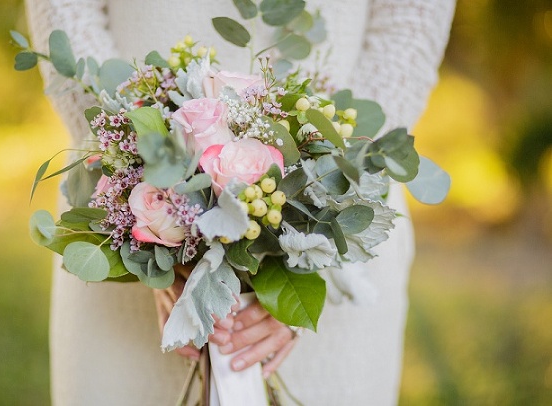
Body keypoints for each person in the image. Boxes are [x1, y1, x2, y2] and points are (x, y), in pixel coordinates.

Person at [25, 0, 455, 404]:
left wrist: (317, 205)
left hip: (332, 220)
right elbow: (65, 12)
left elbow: (409, 29)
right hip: (123, 237)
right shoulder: (134, 198)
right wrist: (143, 187)